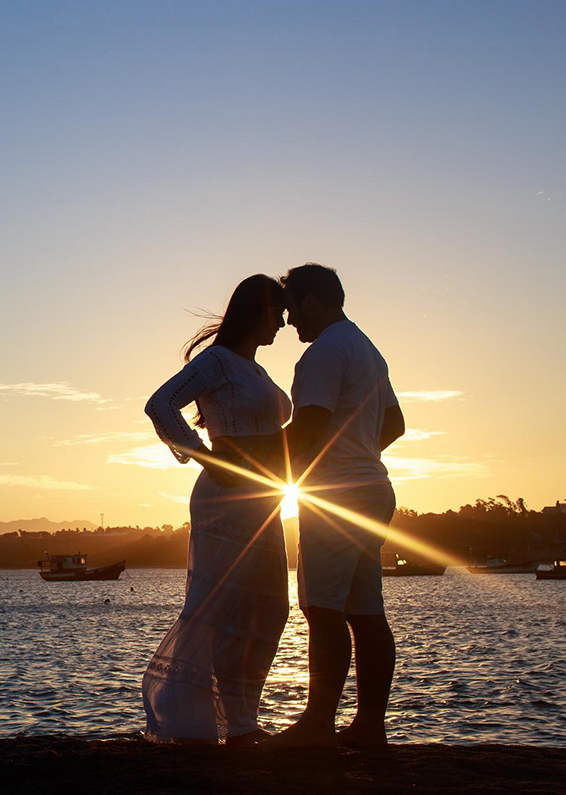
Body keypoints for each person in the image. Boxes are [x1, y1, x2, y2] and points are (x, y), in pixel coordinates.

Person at [142, 274, 292, 745]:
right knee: (228, 608)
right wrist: (205, 456)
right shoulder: (217, 362)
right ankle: (236, 725)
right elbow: (159, 404)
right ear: (256, 312)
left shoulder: (257, 370)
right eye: (277, 315)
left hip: (264, 498)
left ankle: (243, 715)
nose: (283, 325)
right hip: (225, 496)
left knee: (269, 606)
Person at [268, 263, 405, 750]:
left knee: (322, 608)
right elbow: (395, 424)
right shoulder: (366, 347)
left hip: (336, 495)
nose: (289, 324)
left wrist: (250, 460)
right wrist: (359, 454)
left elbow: (308, 426)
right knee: (365, 610)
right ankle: (370, 725)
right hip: (372, 490)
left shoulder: (324, 352)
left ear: (310, 301)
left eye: (291, 310)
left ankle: (318, 724)